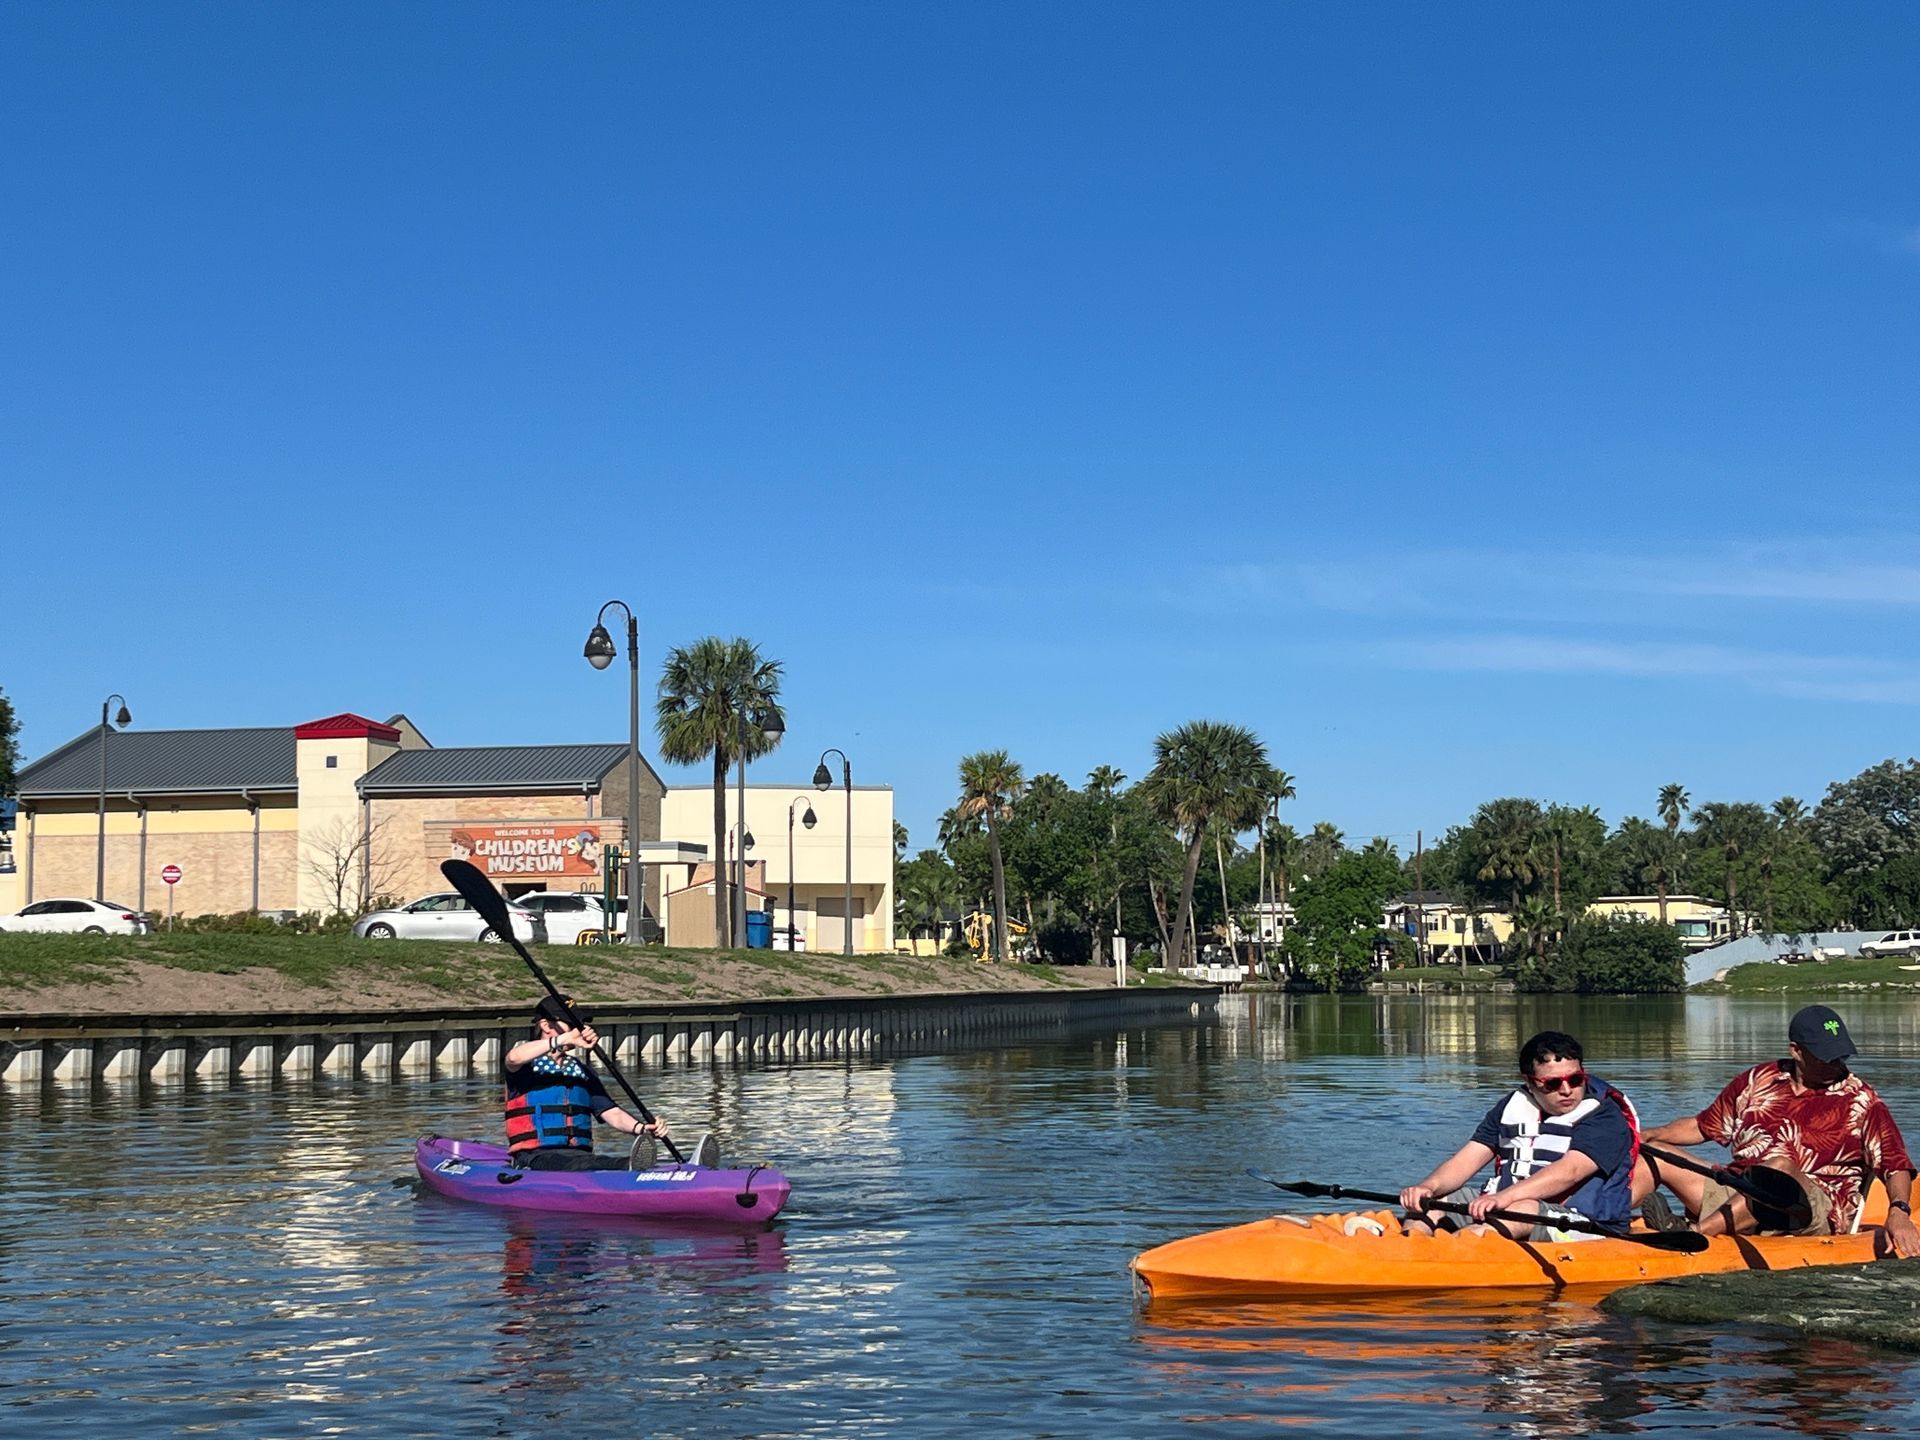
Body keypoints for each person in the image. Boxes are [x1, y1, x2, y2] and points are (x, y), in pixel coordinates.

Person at [1637, 1005, 1920, 1256]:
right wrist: (1646, 1136)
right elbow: (1702, 1126)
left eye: (1840, 1056)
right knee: (1655, 1154)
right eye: (1825, 1057)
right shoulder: (1757, 1080)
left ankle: (1694, 1235)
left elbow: (1895, 1166)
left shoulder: (1863, 1101)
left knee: (1778, 1168)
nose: (1836, 1065)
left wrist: (1899, 1211)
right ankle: (1606, 1223)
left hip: (1809, 1212)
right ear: (1796, 1050)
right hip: (1740, 1192)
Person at [1399, 1030, 1639, 1240]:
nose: (1567, 1090)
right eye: (1552, 1084)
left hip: (1585, 1221)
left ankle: (1454, 1253)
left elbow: (1570, 1171)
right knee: (1435, 1201)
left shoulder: (1605, 1117)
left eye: (1575, 1079)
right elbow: (1467, 1159)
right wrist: (1427, 1187)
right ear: (1530, 1082)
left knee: (1523, 1209)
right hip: (1509, 1204)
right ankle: (1410, 1244)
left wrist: (1504, 1198)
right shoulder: (1511, 1107)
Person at [503, 995, 670, 1171]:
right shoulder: (524, 1067)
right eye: (573, 1024)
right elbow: (513, 1058)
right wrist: (563, 1039)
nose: (580, 1029)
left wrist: (642, 1129)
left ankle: (637, 1168)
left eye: (580, 1025)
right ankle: (627, 1166)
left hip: (579, 1155)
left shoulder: (582, 1071)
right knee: (585, 1164)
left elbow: (612, 1113)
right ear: (546, 1025)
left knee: (590, 1162)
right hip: (534, 1157)